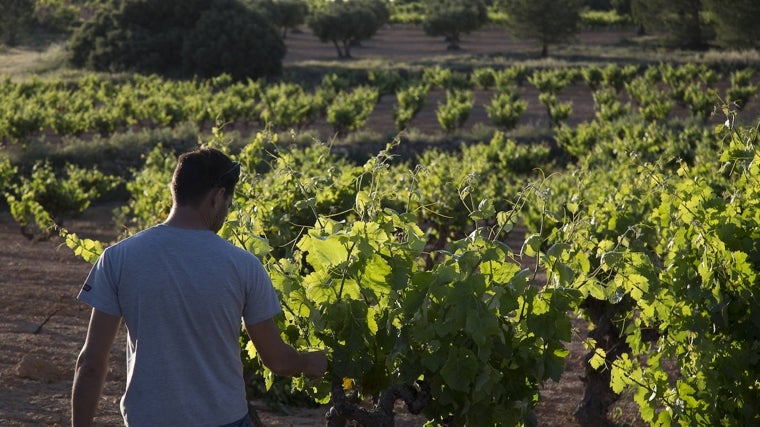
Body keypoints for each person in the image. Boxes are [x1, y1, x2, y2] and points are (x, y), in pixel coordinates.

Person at [71, 147, 328, 427]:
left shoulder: (118, 258)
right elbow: (277, 361)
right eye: (228, 203)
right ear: (217, 197)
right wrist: (306, 362)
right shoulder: (243, 265)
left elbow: (91, 364)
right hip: (224, 419)